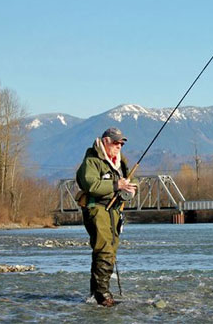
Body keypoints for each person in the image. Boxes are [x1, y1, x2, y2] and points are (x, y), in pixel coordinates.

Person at [76, 127, 138, 307]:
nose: (119, 146)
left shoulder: (120, 161)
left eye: (121, 143)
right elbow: (91, 185)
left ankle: (95, 294)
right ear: (105, 142)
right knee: (104, 250)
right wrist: (116, 184)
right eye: (116, 142)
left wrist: (132, 189)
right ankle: (103, 296)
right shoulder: (92, 161)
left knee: (110, 250)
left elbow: (129, 180)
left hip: (114, 211)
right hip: (97, 208)